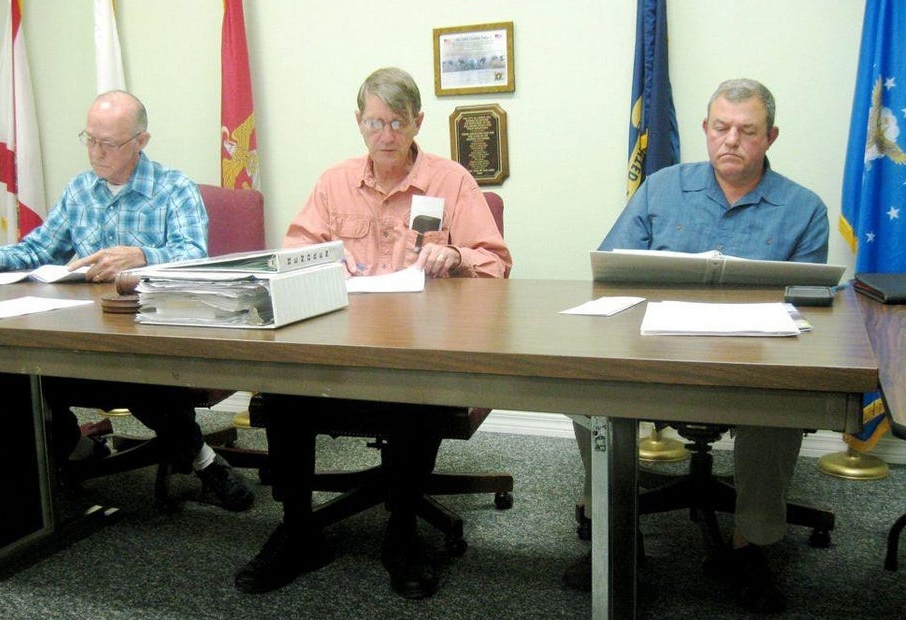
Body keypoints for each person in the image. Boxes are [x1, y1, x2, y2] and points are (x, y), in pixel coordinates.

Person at [234, 67, 511, 600]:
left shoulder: (452, 181)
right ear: (359, 122)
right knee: (283, 392)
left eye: (397, 123)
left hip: (420, 347)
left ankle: (403, 533)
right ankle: (297, 529)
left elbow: (496, 264)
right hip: (340, 342)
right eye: (375, 122)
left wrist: (454, 255)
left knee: (413, 400)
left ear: (417, 123)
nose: (386, 135)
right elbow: (294, 252)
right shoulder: (334, 181)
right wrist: (317, 267)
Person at [565, 78, 828, 614]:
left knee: (780, 406)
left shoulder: (804, 208)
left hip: (757, 361)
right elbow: (612, 272)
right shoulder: (662, 187)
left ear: (770, 136)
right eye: (720, 128)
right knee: (581, 392)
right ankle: (618, 535)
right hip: (658, 350)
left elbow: (812, 308)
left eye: (747, 131)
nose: (730, 140)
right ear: (706, 129)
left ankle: (750, 545)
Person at [0, 90, 255, 512]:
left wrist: (142, 256)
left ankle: (204, 462)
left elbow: (196, 256)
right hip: (85, 326)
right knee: (20, 375)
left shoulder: (173, 189)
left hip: (151, 329)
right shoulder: (81, 191)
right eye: (90, 139)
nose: (96, 153)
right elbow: (38, 251)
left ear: (140, 141)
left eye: (109, 143)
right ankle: (72, 454)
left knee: (137, 376)